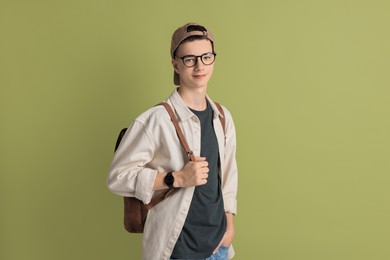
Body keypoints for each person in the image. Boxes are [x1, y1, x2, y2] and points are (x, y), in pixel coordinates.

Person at [107, 22, 238, 260]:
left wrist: (229, 226)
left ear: (213, 59)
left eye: (206, 56)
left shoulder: (222, 117)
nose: (199, 65)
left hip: (219, 249)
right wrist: (175, 178)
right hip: (176, 251)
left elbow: (228, 177)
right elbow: (116, 178)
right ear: (175, 64)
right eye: (189, 59)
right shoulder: (155, 120)